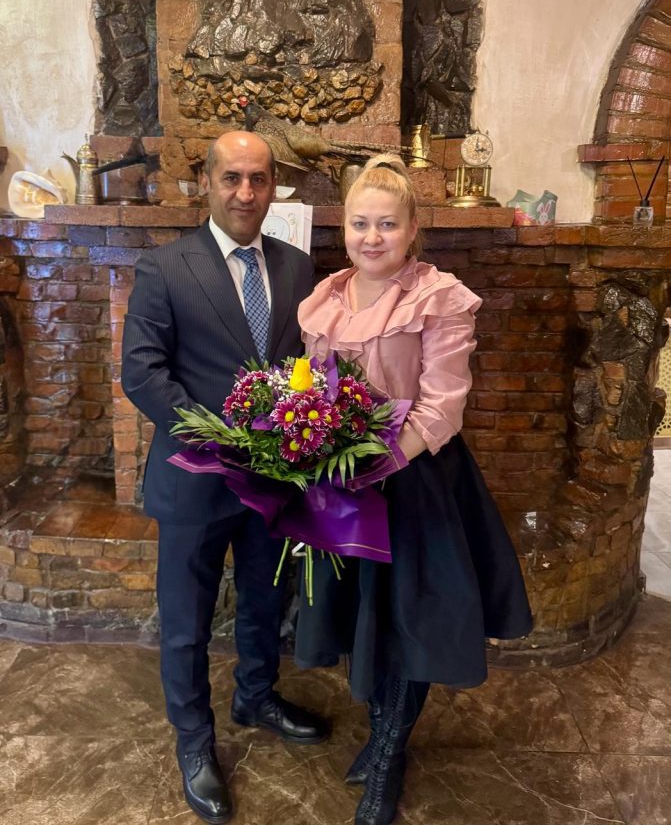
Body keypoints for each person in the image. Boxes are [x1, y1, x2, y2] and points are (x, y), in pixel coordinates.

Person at [294, 154, 532, 825]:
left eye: (387, 224)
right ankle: (380, 737)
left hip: (416, 483)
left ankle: (388, 757)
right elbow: (311, 389)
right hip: (344, 486)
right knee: (362, 618)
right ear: (343, 227)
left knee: (410, 624)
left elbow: (441, 407)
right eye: (360, 223)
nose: (372, 237)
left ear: (412, 229)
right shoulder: (325, 297)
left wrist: (376, 462)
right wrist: (303, 442)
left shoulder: (437, 297)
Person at [121, 131, 327, 825]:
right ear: (206, 183)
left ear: (273, 188)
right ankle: (194, 741)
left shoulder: (298, 268)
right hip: (194, 480)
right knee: (186, 622)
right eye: (232, 178)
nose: (245, 193)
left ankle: (256, 696)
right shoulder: (165, 268)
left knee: (265, 603)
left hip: (272, 485)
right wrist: (219, 441)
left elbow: (305, 367)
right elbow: (142, 372)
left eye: (258, 179)